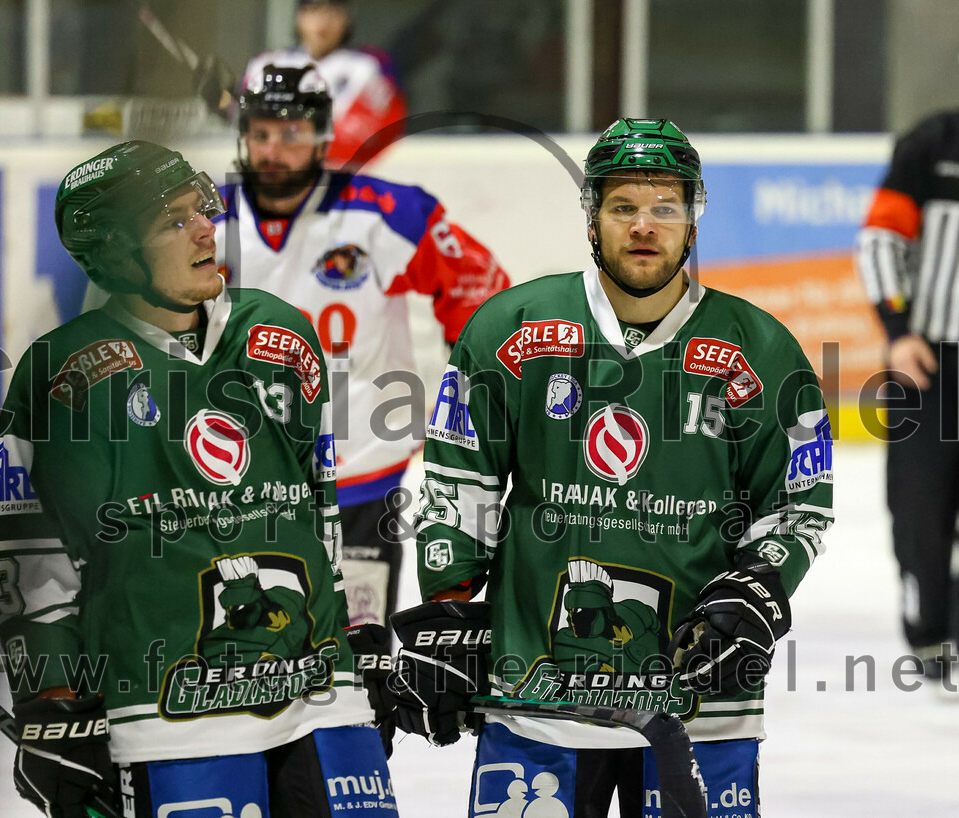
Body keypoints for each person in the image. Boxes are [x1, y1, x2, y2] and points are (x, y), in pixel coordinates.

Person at [389, 119, 834, 816]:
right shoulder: (508, 329)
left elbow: (798, 501)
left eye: (665, 207)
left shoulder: (762, 349)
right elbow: (459, 481)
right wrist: (450, 607)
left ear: (693, 220)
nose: (644, 226)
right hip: (538, 690)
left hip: (699, 700)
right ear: (592, 219)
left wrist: (758, 588)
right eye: (623, 207)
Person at [0, 140, 397, 817]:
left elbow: (313, 502)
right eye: (173, 221)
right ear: (116, 253)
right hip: (164, 717)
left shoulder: (280, 334)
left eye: (200, 208)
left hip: (323, 698)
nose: (207, 227)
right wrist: (52, 699)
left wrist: (353, 641)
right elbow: (27, 554)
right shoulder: (61, 373)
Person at [218, 63, 508, 628]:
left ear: (324, 135)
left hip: (363, 470)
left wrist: (464, 398)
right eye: (261, 133)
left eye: (293, 133)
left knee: (358, 660)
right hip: (245, 478)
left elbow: (481, 291)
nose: (274, 149)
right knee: (253, 650)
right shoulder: (207, 222)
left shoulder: (387, 215)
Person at [856, 110, 959, 686]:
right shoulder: (934, 143)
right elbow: (880, 240)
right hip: (929, 363)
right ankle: (929, 632)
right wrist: (898, 332)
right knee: (921, 509)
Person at [242, 0, 407, 170]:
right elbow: (248, 126)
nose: (323, 21)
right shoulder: (265, 66)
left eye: (334, 11)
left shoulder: (370, 66)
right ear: (298, 16)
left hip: (345, 177)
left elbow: (383, 128)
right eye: (314, 10)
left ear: (347, 17)